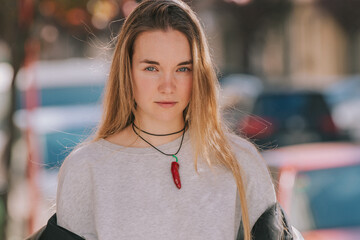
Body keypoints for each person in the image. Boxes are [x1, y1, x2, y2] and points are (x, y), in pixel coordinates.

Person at [27, 0, 302, 239]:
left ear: (199, 74)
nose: (167, 85)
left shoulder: (239, 161)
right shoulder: (86, 169)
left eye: (183, 68)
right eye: (151, 68)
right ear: (128, 72)